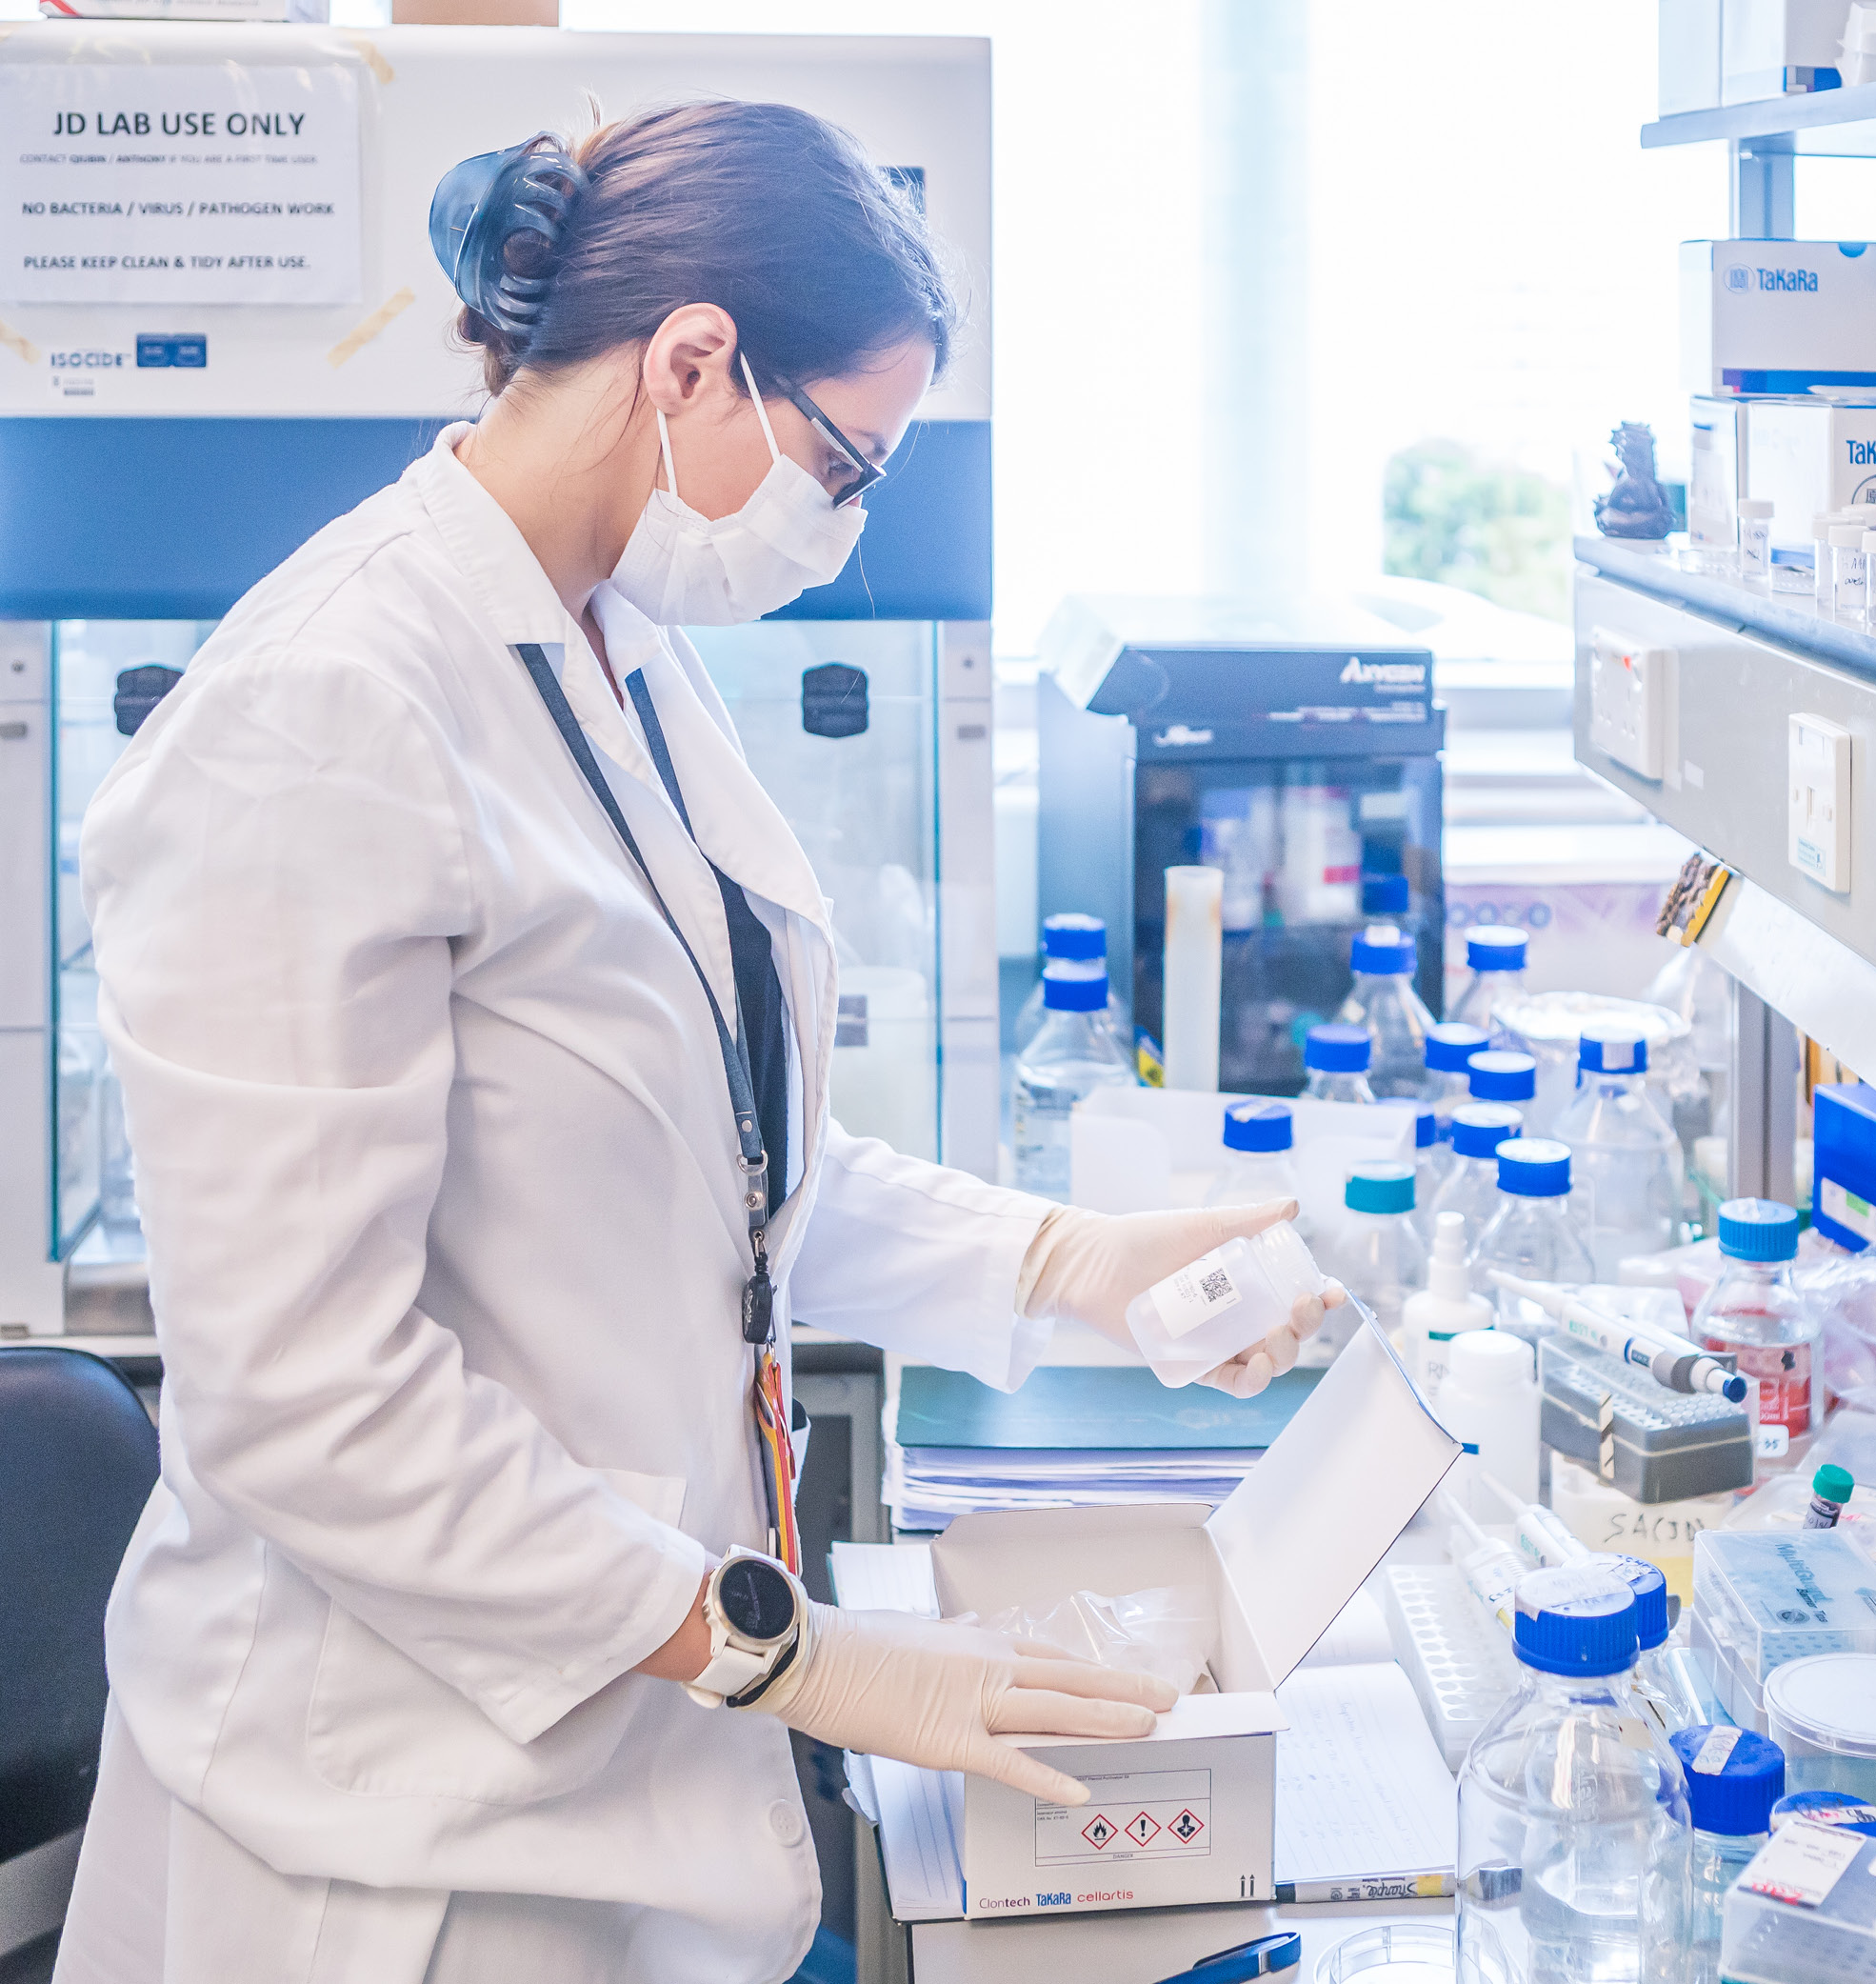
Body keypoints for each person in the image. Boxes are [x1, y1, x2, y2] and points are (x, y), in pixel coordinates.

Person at [53, 102, 1342, 1984]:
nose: (845, 524)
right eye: (844, 460)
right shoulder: (323, 704)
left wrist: (1066, 1263)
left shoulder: (610, 647)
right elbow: (304, 1403)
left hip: (606, 1769)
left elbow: (704, 1155)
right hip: (386, 1847)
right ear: (689, 359)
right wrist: (789, 1649)